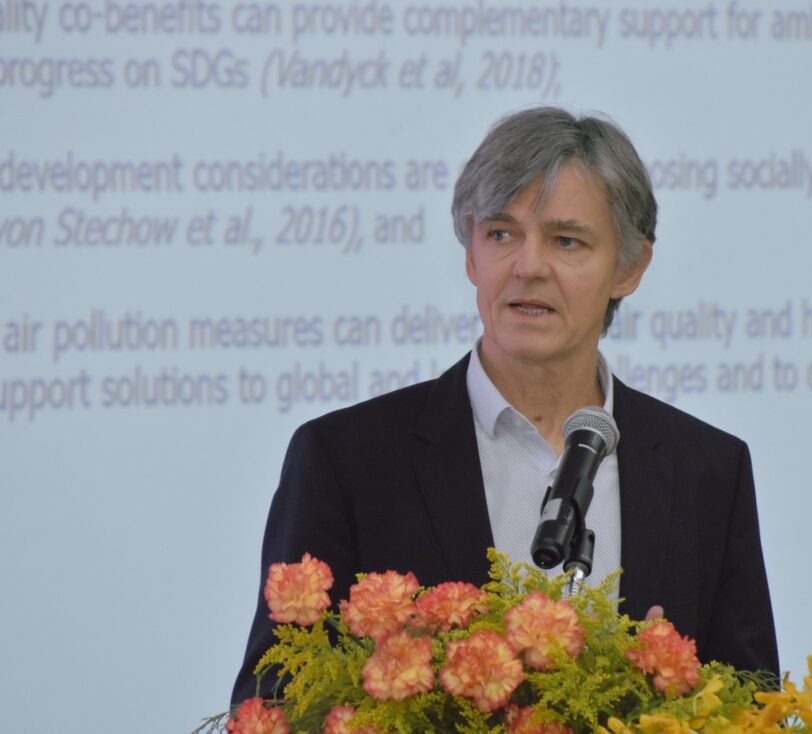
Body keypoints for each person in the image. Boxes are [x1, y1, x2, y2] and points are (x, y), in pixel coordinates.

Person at [232, 107, 778, 704]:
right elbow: (273, 704)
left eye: (566, 241)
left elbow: (754, 707)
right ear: (471, 256)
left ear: (630, 268)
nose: (528, 266)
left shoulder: (707, 471)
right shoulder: (346, 460)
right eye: (501, 234)